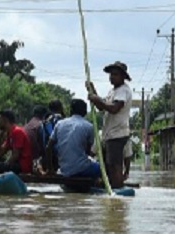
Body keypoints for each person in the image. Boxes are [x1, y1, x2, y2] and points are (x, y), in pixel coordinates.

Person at [87, 60, 133, 188]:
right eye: (111, 74)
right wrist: (93, 91)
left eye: (115, 74)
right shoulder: (113, 91)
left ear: (123, 76)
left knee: (115, 166)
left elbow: (114, 108)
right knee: (109, 165)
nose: (112, 77)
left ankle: (117, 189)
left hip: (117, 134)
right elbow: (102, 107)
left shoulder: (123, 91)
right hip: (110, 134)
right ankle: (112, 186)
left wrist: (97, 99)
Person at [46, 98, 100, 179]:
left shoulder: (60, 124)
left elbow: (48, 147)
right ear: (85, 112)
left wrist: (50, 169)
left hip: (64, 170)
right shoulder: (89, 126)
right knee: (102, 169)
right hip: (81, 169)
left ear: (71, 111)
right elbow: (88, 152)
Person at [0, 109, 33, 175]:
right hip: (14, 163)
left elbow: (15, 155)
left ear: (5, 120)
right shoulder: (9, 134)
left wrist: (2, 165)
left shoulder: (17, 131)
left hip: (22, 166)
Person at [40, 99, 65, 174]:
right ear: (60, 108)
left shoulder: (44, 121)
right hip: (60, 158)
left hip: (47, 158)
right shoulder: (62, 120)